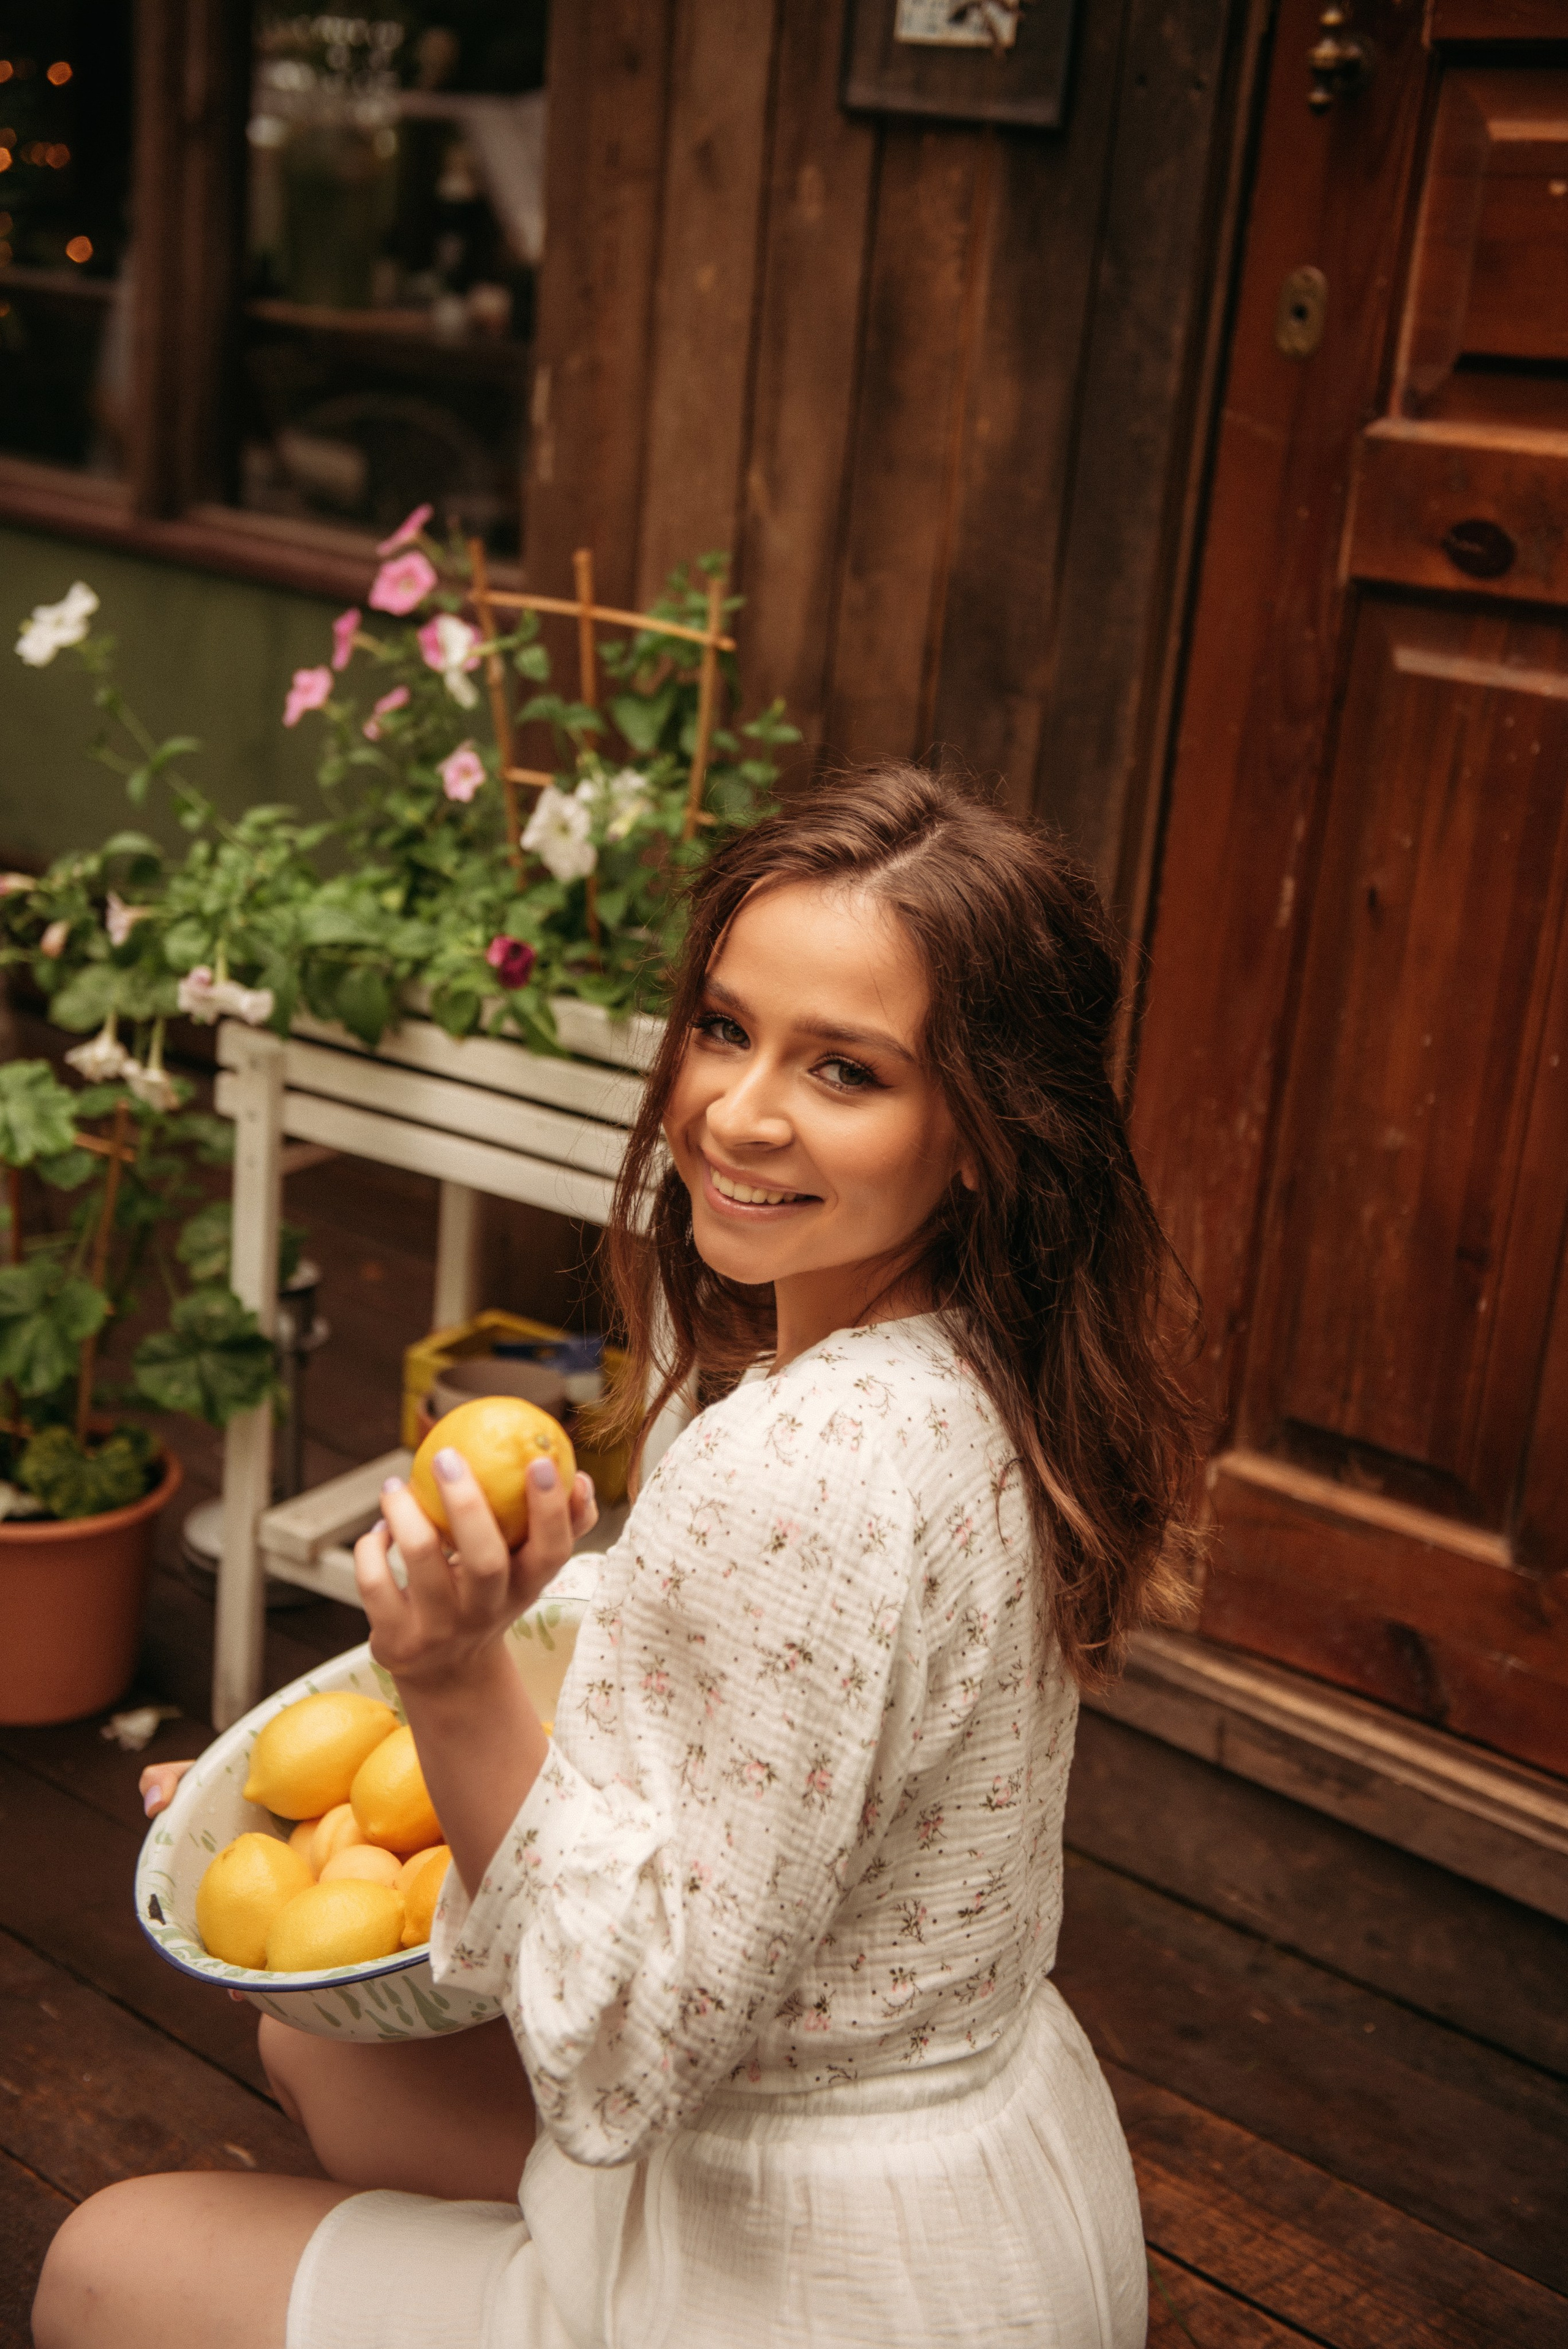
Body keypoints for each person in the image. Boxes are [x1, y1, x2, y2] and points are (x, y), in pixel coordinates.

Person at [35, 765, 1202, 2349]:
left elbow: (618, 2053)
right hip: (987, 2201)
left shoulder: (791, 1465)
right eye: (725, 1028)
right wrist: (321, 1788)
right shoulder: (990, 1379)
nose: (735, 1108)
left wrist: (445, 1680)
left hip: (796, 2278)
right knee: (318, 2054)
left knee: (102, 2262)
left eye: (844, 1068)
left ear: (986, 1126)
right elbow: (767, 1751)